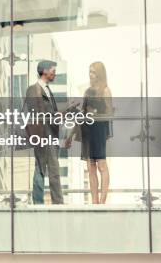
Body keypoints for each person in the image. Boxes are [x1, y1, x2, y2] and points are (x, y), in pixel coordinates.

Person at [65, 62, 113, 204]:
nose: (90, 74)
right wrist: (70, 136)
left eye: (93, 72)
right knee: (90, 166)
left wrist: (96, 113)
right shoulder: (87, 92)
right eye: (89, 71)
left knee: (101, 165)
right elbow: (81, 116)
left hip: (99, 129)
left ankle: (103, 201)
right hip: (87, 130)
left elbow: (110, 113)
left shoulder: (105, 90)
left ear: (99, 74)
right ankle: (94, 201)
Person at [25, 60, 63, 205]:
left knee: (47, 168)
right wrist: (54, 116)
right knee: (46, 168)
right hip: (42, 134)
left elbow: (47, 113)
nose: (55, 73)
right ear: (45, 71)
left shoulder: (46, 89)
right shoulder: (33, 90)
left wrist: (58, 115)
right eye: (53, 70)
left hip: (50, 134)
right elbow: (37, 115)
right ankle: (44, 203)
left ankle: (45, 202)